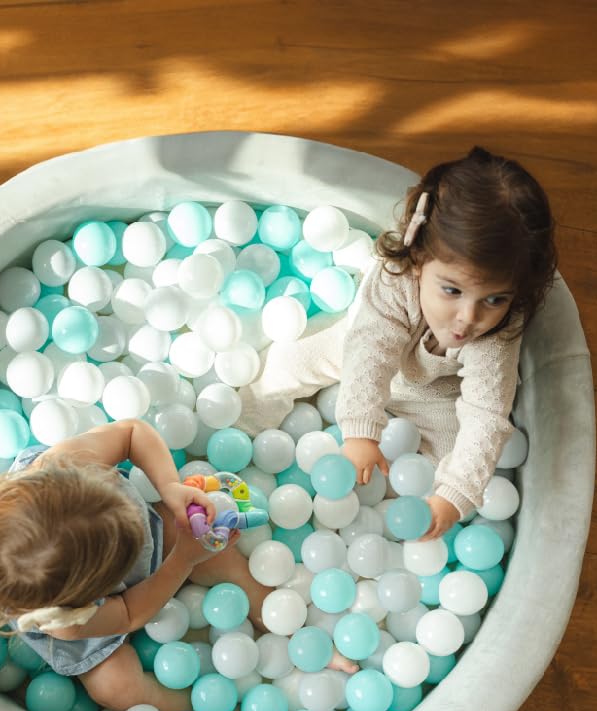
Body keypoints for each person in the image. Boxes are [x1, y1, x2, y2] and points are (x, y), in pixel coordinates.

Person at [237, 146, 557, 542]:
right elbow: (370, 354)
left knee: (450, 463)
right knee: (289, 363)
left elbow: (486, 414)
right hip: (355, 352)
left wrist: (453, 497)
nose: (469, 318)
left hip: (434, 396)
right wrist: (360, 430)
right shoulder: (395, 279)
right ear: (419, 258)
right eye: (452, 290)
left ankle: (366, 527)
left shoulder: (497, 332)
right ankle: (241, 426)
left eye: (495, 299)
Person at [0, 419, 357, 711]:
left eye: (112, 490)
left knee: (221, 556)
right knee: (115, 687)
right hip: (102, 622)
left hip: (114, 554)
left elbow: (132, 433)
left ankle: (289, 626)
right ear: (99, 583)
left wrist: (169, 489)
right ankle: (205, 709)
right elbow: (128, 613)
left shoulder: (62, 464)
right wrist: (183, 559)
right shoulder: (66, 622)